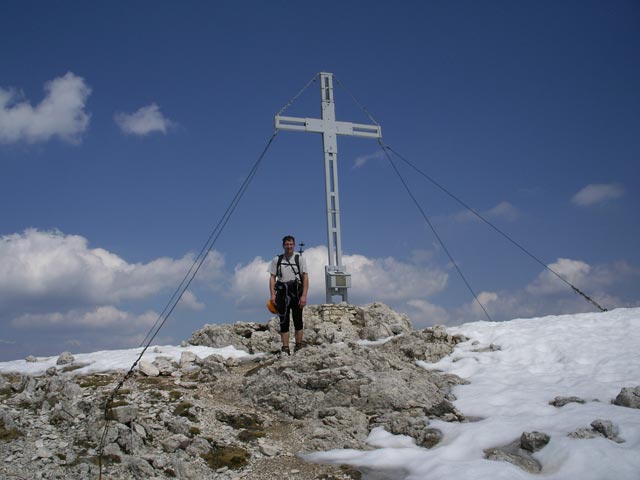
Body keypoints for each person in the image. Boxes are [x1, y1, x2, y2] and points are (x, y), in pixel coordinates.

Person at [268, 235, 309, 355]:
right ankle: (285, 348)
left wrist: (304, 296)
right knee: (283, 321)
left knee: (298, 320)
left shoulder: (299, 259)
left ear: (294, 245)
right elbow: (272, 277)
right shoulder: (277, 259)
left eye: (291, 244)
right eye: (287, 244)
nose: (289, 246)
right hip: (282, 293)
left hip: (296, 292)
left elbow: (305, 277)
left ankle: (298, 346)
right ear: (283, 245)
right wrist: (272, 295)